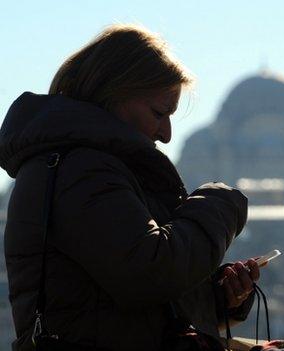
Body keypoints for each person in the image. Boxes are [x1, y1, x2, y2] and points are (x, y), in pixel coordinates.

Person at [0, 24, 259, 350]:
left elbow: (130, 300)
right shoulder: (81, 171)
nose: (166, 134)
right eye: (159, 113)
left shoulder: (100, 168)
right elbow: (150, 273)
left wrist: (222, 297)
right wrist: (221, 204)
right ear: (115, 92)